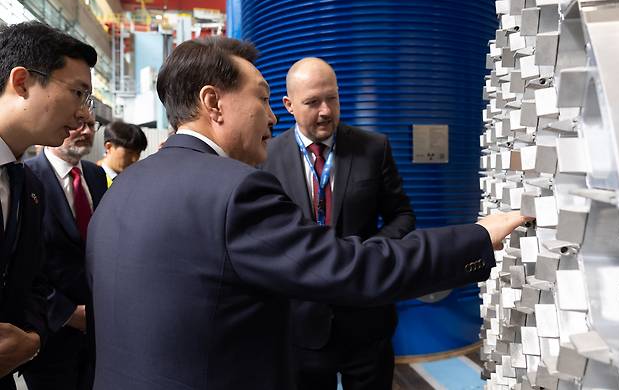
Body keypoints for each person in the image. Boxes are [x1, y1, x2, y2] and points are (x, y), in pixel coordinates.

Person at [86, 36, 527, 390]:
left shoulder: (121, 190)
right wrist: (478, 237)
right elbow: (349, 266)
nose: (272, 117)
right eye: (261, 99)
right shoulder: (236, 189)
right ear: (213, 103)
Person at [262, 57, 414, 390]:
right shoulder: (266, 157)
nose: (326, 110)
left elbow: (402, 216)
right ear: (288, 105)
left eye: (332, 98)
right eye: (312, 102)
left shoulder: (373, 148)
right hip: (298, 324)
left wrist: (367, 253)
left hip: (367, 319)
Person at [0, 21, 96, 389]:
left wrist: (33, 339)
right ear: (22, 82)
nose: (85, 115)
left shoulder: (27, 187)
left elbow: (29, 282)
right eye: (78, 93)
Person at [23, 111, 107, 390]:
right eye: (76, 125)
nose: (84, 131)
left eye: (91, 125)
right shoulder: (26, 177)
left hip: (98, 329)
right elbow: (21, 263)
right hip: (50, 332)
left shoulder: (95, 175)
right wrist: (68, 313)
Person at [98, 121, 147, 186]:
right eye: (129, 152)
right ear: (109, 147)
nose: (135, 159)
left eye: (138, 153)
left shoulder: (134, 179)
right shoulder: (91, 178)